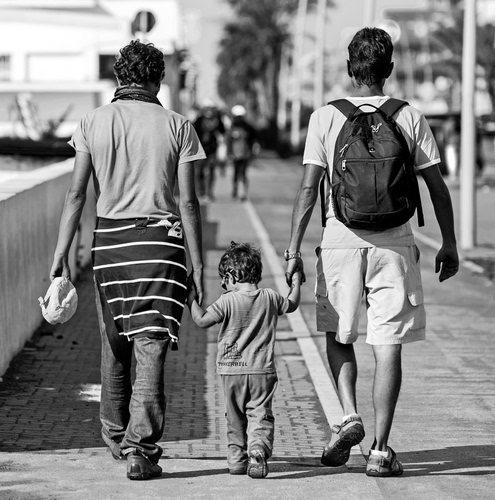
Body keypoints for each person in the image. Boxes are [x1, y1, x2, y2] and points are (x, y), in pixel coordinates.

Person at [285, 27, 459, 477]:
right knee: (388, 342)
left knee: (339, 333)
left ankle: (348, 415)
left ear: (350, 69)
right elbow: (437, 188)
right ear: (390, 69)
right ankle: (380, 451)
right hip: (395, 242)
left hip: (340, 238)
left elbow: (308, 189)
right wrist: (449, 243)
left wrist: (292, 250)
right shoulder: (409, 115)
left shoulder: (325, 117)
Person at [49, 40, 205, 481]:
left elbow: (76, 194)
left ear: (120, 77)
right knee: (151, 344)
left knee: (115, 342)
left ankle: (116, 436)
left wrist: (62, 253)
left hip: (109, 246)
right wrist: (196, 266)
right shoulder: (178, 126)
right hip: (161, 247)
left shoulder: (93, 122)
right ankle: (142, 448)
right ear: (158, 80)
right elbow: (188, 203)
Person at [187, 242, 301, 478]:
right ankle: (257, 448)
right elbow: (291, 304)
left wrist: (190, 299)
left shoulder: (227, 301)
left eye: (223, 280)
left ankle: (237, 461)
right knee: (260, 413)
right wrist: (297, 281)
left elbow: (201, 320)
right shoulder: (270, 296)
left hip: (231, 372)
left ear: (231, 276)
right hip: (262, 371)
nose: (222, 285)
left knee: (234, 417)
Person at [193, 100, 226, 202]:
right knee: (199, 172)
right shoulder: (199, 120)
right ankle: (201, 192)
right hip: (199, 149)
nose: (209, 110)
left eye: (211, 108)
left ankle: (209, 192)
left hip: (212, 150)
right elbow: (193, 132)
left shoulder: (217, 120)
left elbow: (223, 131)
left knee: (211, 171)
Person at [227, 105, 258, 201]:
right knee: (236, 173)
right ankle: (235, 189)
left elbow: (254, 140)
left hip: (245, 154)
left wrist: (253, 152)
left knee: (243, 173)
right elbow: (228, 141)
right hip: (234, 155)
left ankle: (244, 192)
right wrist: (229, 153)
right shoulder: (232, 128)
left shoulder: (248, 128)